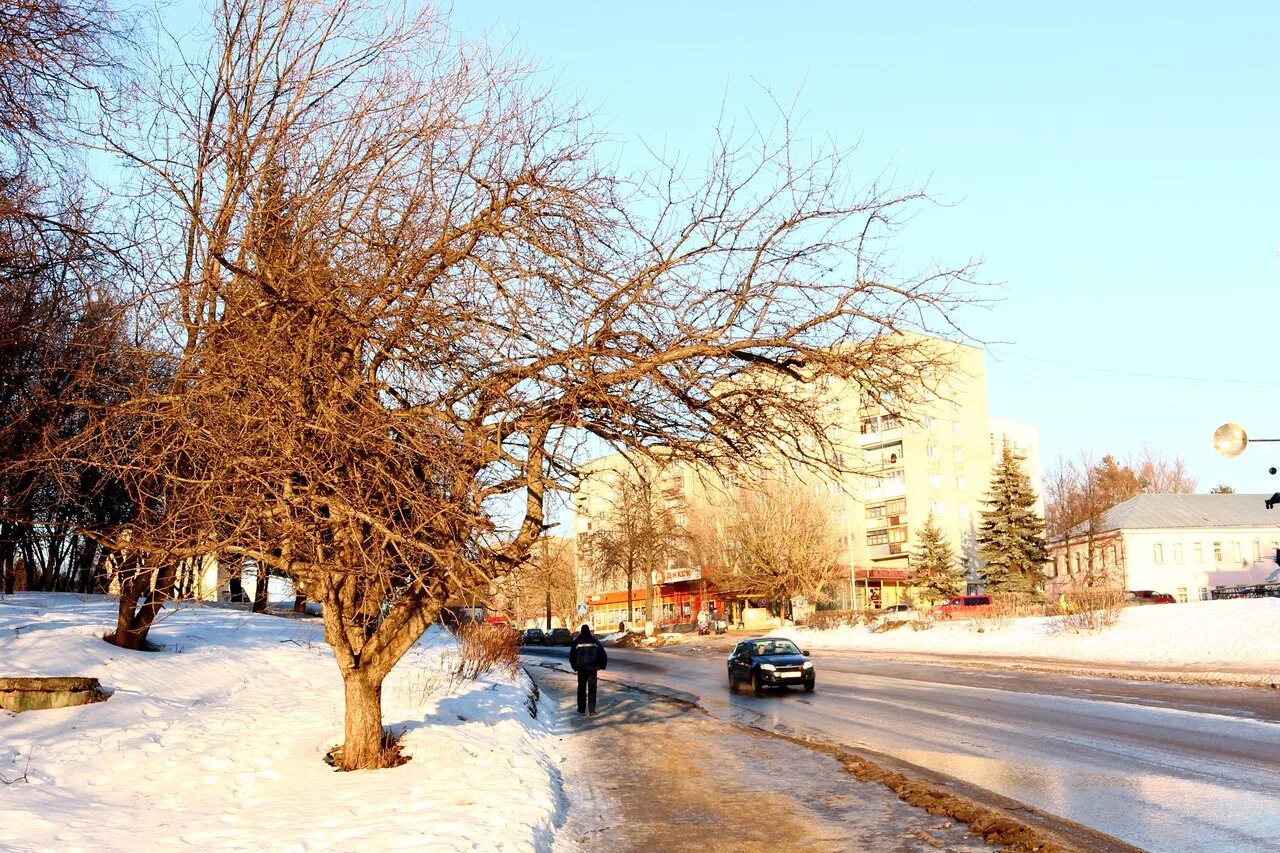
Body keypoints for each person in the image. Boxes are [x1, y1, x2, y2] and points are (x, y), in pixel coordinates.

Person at [568, 624, 608, 716]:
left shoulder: (577, 642)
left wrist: (575, 667)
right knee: (592, 689)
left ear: (581, 631)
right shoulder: (595, 641)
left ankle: (581, 709)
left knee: (581, 689)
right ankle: (592, 710)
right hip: (592, 669)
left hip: (581, 669)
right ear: (589, 631)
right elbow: (603, 654)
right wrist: (602, 665)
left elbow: (572, 656)